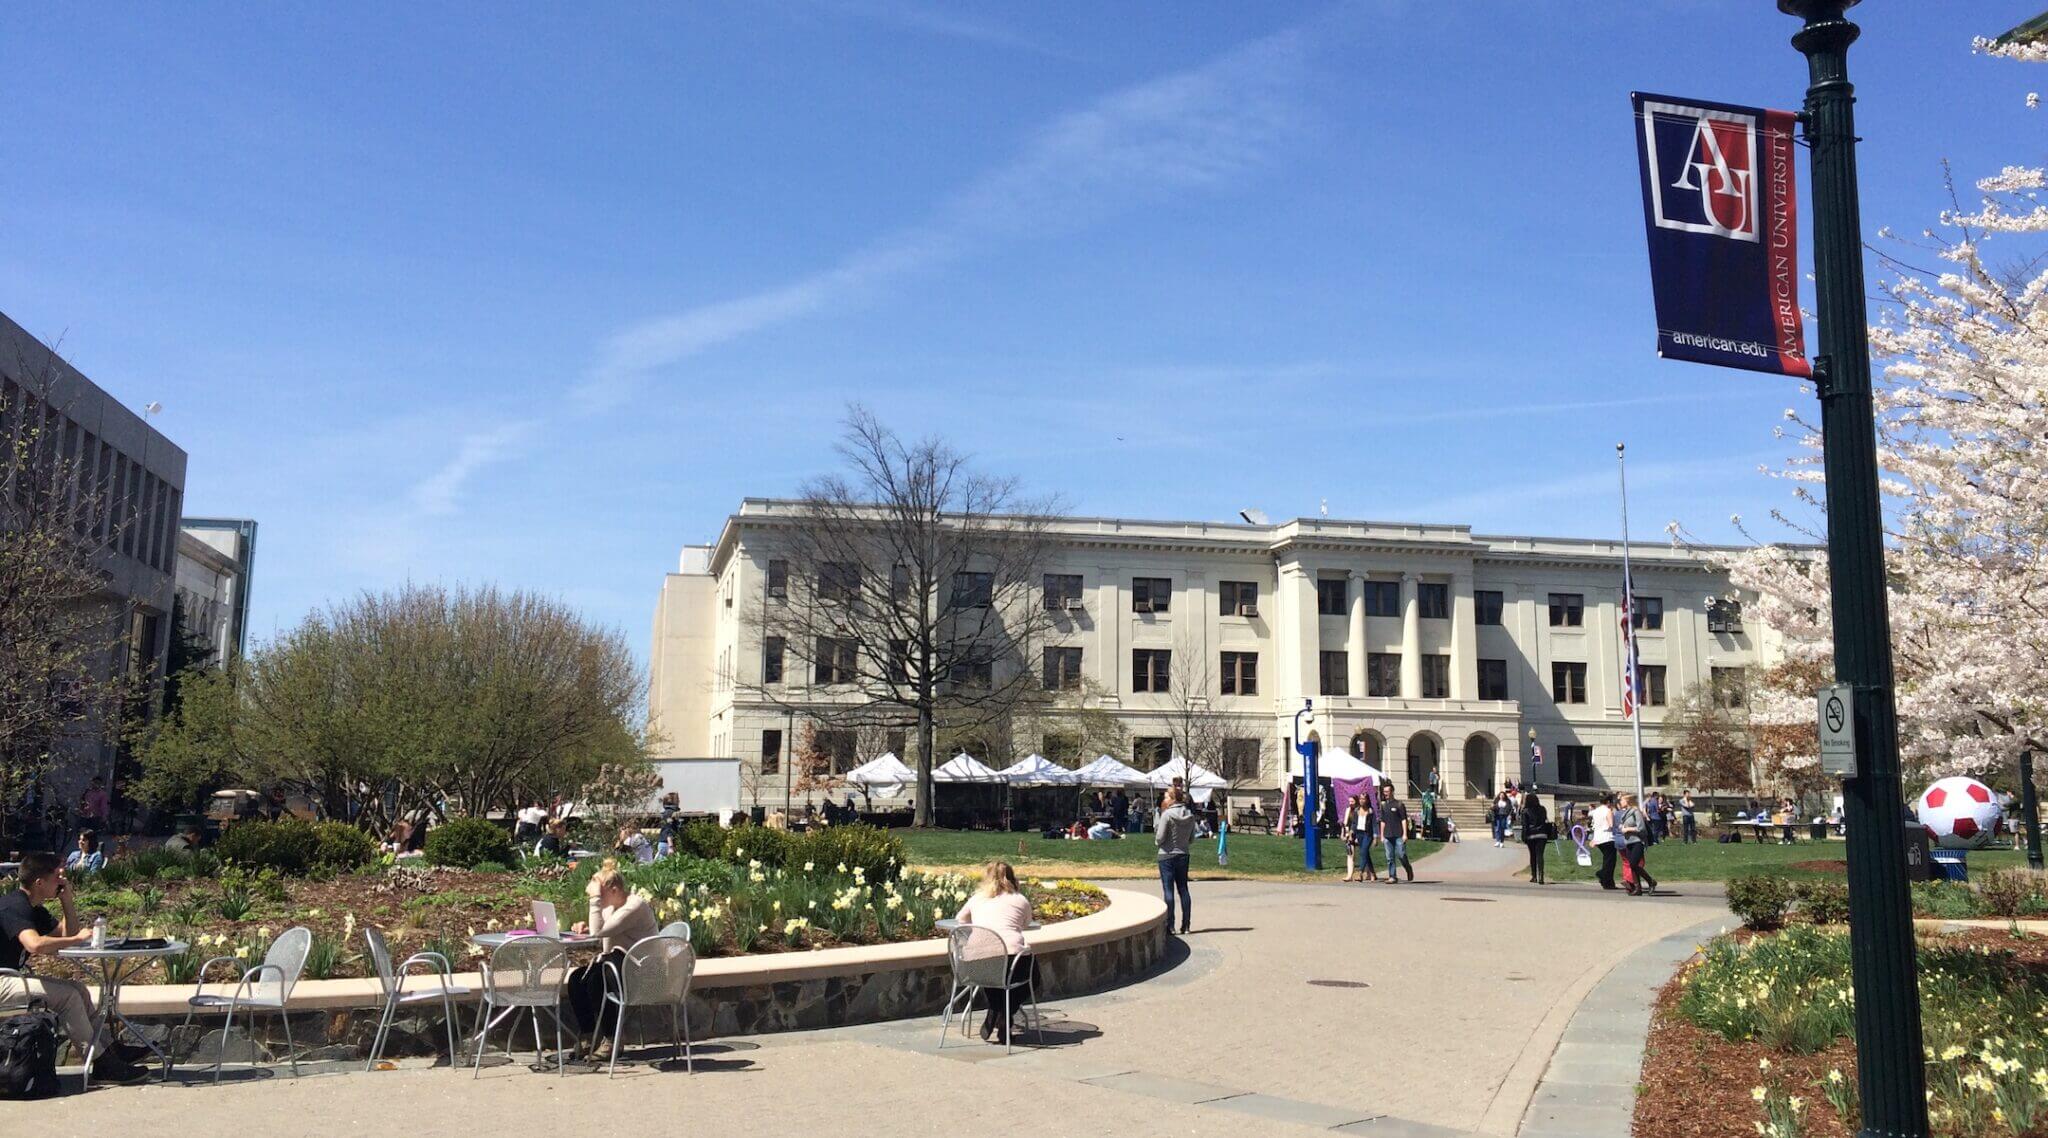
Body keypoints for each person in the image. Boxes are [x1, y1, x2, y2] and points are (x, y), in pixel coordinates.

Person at [0, 852, 151, 1083]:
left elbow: (67, 933)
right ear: (39, 882)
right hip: (2, 981)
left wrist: (66, 900)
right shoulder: (14, 906)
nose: (61, 880)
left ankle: (110, 1051)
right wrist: (76, 939)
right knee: (69, 996)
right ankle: (101, 1064)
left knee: (79, 989)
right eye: (56, 877)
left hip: (10, 978)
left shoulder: (34, 908)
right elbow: (35, 944)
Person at [566, 858, 660, 1058]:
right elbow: (597, 930)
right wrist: (584, 926)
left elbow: (598, 930)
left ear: (614, 890)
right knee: (577, 979)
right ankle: (588, 1034)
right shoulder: (612, 907)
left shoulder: (633, 907)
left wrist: (594, 901)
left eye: (601, 893)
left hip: (642, 971)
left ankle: (612, 1040)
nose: (597, 897)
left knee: (601, 978)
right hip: (619, 964)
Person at [954, 861, 1035, 1044]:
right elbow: (1025, 923)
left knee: (993, 978)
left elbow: (961, 919)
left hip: (976, 963)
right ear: (1013, 878)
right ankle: (1004, 1015)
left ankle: (994, 1010)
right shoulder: (1019, 899)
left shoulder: (977, 898)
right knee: (1032, 978)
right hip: (1010, 957)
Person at [1155, 789, 1196, 935]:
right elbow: (1191, 838)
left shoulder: (1167, 815)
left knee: (1168, 890)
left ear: (1172, 799)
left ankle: (1170, 925)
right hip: (1183, 854)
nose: (1164, 799)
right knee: (1183, 889)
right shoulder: (1190, 815)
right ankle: (1186, 925)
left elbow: (1160, 837)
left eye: (1166, 796)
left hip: (1166, 854)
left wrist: (1158, 841)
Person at [1617, 792, 1658, 895]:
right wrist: (1621, 828)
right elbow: (1623, 825)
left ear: (1628, 801)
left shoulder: (1636, 812)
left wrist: (1628, 829)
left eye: (1622, 800)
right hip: (1628, 842)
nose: (1620, 802)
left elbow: (1641, 828)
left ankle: (1651, 881)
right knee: (1632, 865)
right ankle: (1637, 888)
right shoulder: (1625, 813)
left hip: (1637, 841)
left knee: (1634, 864)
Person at [1376, 782, 1413, 883]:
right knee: (1389, 857)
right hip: (1387, 835)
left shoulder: (1399, 804)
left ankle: (1408, 868)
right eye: (1384, 792)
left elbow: (1404, 820)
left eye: (1387, 791)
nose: (1385, 793)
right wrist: (1382, 835)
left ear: (1392, 792)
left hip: (1398, 835)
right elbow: (1382, 821)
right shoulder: (1383, 806)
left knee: (1401, 855)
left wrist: (1405, 834)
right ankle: (1392, 876)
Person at [1521, 791, 1552, 884]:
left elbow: (1525, 825)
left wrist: (1524, 836)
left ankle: (1534, 876)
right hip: (1542, 834)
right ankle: (1541, 876)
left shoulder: (1525, 811)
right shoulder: (1542, 809)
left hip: (1531, 835)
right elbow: (1545, 820)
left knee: (1533, 855)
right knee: (1540, 855)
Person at [1590, 793, 1618, 891]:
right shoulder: (1608, 811)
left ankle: (1607, 881)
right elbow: (1611, 825)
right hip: (1608, 837)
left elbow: (1594, 825)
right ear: (1609, 802)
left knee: (1606, 860)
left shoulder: (1596, 811)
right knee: (1610, 861)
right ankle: (1603, 876)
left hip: (1598, 837)